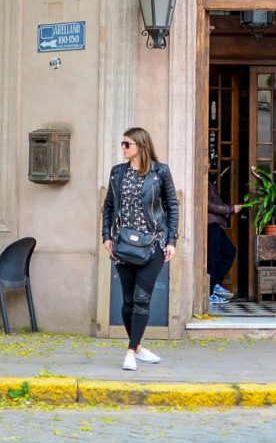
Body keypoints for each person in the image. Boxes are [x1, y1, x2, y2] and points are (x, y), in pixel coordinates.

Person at [101, 127, 179, 371]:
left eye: (127, 144)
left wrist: (171, 241)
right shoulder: (117, 173)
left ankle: (130, 352)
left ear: (141, 147)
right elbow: (109, 206)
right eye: (122, 144)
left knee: (141, 298)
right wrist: (106, 236)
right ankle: (139, 347)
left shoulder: (160, 172)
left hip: (153, 243)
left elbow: (172, 207)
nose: (123, 148)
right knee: (126, 301)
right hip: (123, 244)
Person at [207, 181, 240, 305]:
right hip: (210, 225)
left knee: (229, 251)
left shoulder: (209, 183)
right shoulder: (203, 182)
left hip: (216, 225)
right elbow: (208, 205)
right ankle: (209, 293)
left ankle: (213, 284)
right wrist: (231, 209)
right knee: (213, 259)